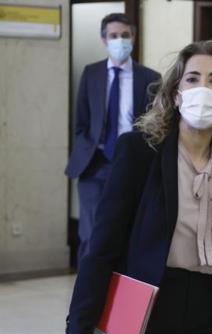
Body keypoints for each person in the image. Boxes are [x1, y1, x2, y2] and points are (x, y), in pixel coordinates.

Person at [63, 40, 212, 334]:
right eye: (193, 79)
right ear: (175, 93)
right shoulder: (139, 150)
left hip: (211, 312)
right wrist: (80, 329)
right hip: (148, 308)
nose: (203, 88)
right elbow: (103, 244)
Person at [65, 13, 161, 265]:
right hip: (95, 164)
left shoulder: (150, 78)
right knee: (91, 233)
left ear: (134, 38)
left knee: (130, 229)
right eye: (114, 36)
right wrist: (85, 148)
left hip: (132, 164)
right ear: (104, 40)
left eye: (125, 35)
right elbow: (81, 122)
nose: (120, 41)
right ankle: (86, 290)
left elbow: (156, 125)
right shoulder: (92, 73)